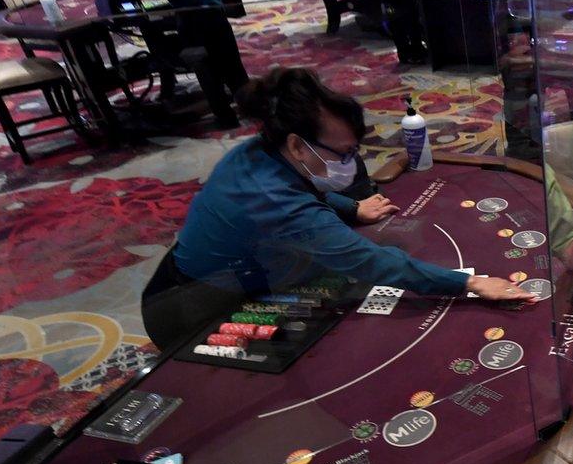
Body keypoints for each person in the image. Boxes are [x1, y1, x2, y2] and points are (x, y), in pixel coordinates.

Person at [172, 67, 535, 303]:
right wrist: (468, 283)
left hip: (220, 264)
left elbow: (304, 185)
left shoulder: (268, 148)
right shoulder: (275, 199)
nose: (351, 162)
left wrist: (351, 207)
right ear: (298, 144)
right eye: (343, 152)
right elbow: (369, 262)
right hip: (202, 296)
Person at [159, 0, 249, 128]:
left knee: (206, 71)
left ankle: (226, 117)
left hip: (190, 17)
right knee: (232, 65)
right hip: (216, 11)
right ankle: (253, 107)